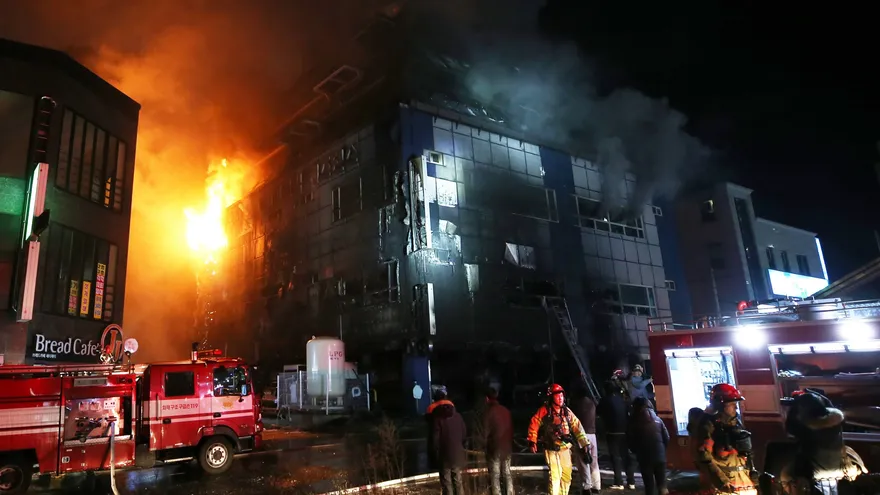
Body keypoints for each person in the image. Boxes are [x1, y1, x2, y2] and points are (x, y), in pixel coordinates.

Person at [779, 389, 866, 492]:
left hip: (815, 472)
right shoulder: (835, 420)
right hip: (839, 468)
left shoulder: (805, 426)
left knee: (785, 476)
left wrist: (794, 408)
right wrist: (816, 395)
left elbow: (789, 428)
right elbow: (829, 405)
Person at [688, 383, 757, 495]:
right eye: (732, 404)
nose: (736, 407)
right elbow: (704, 457)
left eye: (736, 404)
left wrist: (752, 472)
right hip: (725, 487)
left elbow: (746, 454)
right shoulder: (708, 426)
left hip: (743, 481)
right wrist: (722, 482)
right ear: (720, 405)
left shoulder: (736, 423)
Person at [527, 384, 591, 495]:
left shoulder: (566, 411)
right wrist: (532, 441)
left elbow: (577, 426)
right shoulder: (544, 411)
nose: (561, 398)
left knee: (566, 476)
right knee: (555, 477)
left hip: (565, 449)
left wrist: (584, 443)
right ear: (551, 397)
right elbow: (534, 424)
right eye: (558, 396)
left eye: (562, 395)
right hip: (551, 449)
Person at [429, 386, 467, 495]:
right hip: (457, 454)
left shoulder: (437, 419)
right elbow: (464, 435)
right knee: (458, 481)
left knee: (447, 483)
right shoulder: (458, 416)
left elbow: (435, 440)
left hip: (444, 456)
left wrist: (435, 455)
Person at [628, 397, 669, 495]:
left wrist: (635, 451)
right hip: (660, 456)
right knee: (662, 485)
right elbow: (667, 437)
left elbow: (630, 440)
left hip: (644, 457)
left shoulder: (633, 421)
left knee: (649, 485)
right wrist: (662, 450)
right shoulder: (658, 420)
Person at [600, 380, 636, 490]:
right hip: (624, 432)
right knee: (626, 457)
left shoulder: (605, 400)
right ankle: (631, 482)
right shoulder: (622, 400)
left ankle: (619, 482)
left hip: (612, 432)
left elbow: (599, 412)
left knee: (615, 457)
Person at [484, 388, 515, 495]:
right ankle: (510, 492)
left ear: (487, 399)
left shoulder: (489, 413)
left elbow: (485, 432)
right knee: (507, 473)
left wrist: (484, 444)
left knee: (495, 475)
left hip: (495, 447)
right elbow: (511, 429)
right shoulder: (506, 411)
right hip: (507, 447)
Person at [571, 385, 600, 494]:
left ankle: (586, 487)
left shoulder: (577, 404)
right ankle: (596, 485)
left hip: (582, 435)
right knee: (593, 461)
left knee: (583, 461)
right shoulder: (592, 403)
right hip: (593, 434)